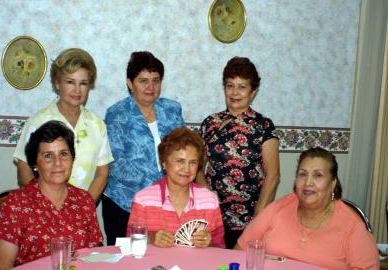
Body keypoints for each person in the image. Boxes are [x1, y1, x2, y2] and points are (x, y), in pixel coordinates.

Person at [235, 147, 379, 269]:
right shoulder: (278, 208)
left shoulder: (353, 226)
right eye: (302, 174)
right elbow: (239, 251)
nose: (308, 182)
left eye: (318, 175)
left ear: (333, 183)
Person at [0, 121, 103, 269]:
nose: (58, 163)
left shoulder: (84, 200)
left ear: (72, 159)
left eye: (63, 154)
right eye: (48, 156)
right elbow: (2, 267)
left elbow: (95, 256)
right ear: (35, 164)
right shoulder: (16, 204)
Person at [197, 57, 280, 248]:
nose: (235, 92)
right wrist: (206, 193)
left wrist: (259, 216)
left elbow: (273, 176)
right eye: (230, 85)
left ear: (253, 91)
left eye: (242, 87)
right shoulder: (210, 123)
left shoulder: (264, 126)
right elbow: (197, 168)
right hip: (214, 215)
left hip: (250, 217)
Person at [103, 51, 185, 245]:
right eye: (143, 81)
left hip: (167, 203)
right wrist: (158, 187)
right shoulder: (116, 114)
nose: (151, 87)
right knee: (126, 261)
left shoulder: (172, 110)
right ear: (130, 83)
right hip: (124, 204)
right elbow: (117, 162)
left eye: (156, 80)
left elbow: (184, 149)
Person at [13, 48, 113, 203]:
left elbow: (102, 173)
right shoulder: (38, 122)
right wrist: (46, 208)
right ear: (57, 83)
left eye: (83, 83)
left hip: (81, 215)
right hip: (44, 214)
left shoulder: (97, 124)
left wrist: (83, 209)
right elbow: (24, 169)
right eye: (70, 82)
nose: (77, 90)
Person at [127, 127, 225, 248]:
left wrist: (209, 243)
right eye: (180, 161)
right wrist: (151, 238)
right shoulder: (143, 200)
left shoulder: (210, 200)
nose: (186, 169)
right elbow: (130, 245)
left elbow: (220, 247)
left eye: (193, 162)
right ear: (164, 162)